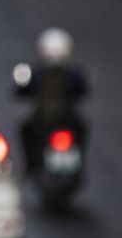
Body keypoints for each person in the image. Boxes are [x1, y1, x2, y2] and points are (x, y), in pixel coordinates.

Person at [16, 28, 88, 174]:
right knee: (83, 128)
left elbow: (20, 91)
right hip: (68, 119)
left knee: (25, 129)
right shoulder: (73, 73)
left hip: (43, 120)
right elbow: (83, 91)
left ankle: (30, 165)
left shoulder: (37, 73)